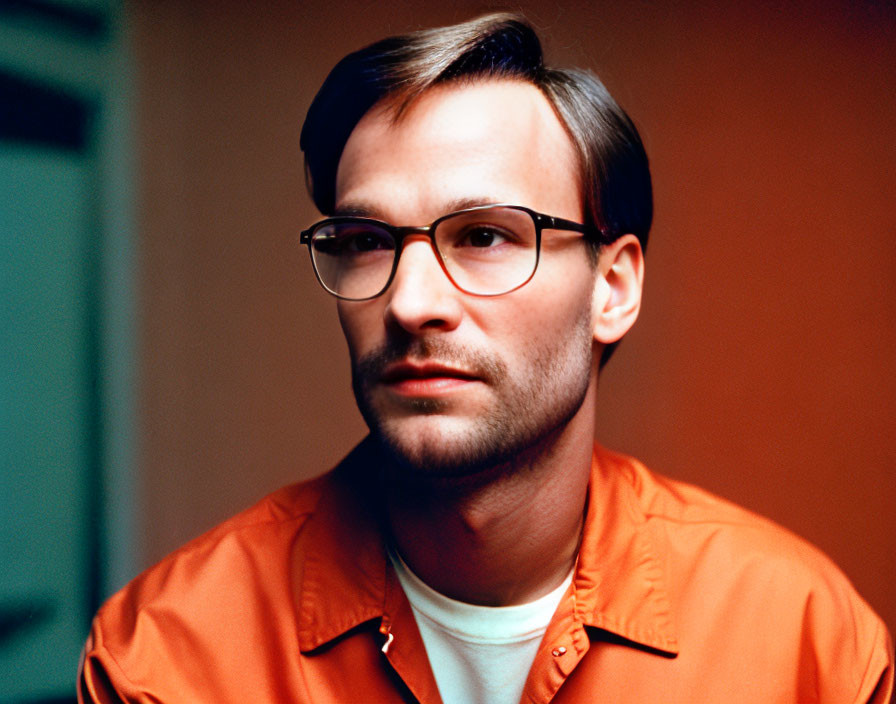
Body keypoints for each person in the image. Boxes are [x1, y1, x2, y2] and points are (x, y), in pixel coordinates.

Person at [78, 13, 893, 704]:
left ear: (612, 288)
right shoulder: (164, 660)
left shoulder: (803, 645)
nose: (409, 302)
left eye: (485, 236)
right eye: (366, 243)